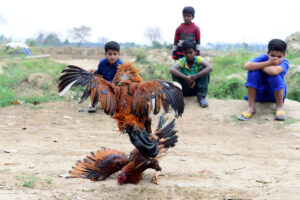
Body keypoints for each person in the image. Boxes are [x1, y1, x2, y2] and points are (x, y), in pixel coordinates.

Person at [237, 39, 289, 121]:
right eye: (273, 56)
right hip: (259, 94)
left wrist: (258, 66)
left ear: (284, 55)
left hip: (273, 96)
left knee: (274, 76)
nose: (276, 59)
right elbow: (246, 66)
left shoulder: (285, 63)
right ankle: (251, 107)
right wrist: (268, 63)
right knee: (252, 72)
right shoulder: (263, 58)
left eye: (279, 57)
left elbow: (274, 71)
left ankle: (279, 108)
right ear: (267, 53)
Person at [170, 40, 213, 107]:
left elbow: (210, 67)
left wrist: (195, 76)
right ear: (183, 53)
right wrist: (185, 77)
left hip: (196, 89)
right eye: (186, 53)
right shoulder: (182, 61)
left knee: (205, 70)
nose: (188, 55)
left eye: (190, 52)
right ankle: (178, 98)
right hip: (185, 89)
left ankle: (201, 97)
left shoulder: (198, 59)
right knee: (175, 71)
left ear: (195, 52)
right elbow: (171, 69)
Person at [87, 41, 123, 113]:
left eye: (115, 54)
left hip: (115, 87)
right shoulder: (102, 63)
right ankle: (93, 104)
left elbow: (122, 80)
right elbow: (99, 74)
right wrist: (94, 72)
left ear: (118, 54)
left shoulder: (122, 65)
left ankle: (117, 103)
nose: (112, 56)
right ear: (105, 54)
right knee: (93, 81)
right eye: (110, 54)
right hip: (104, 85)